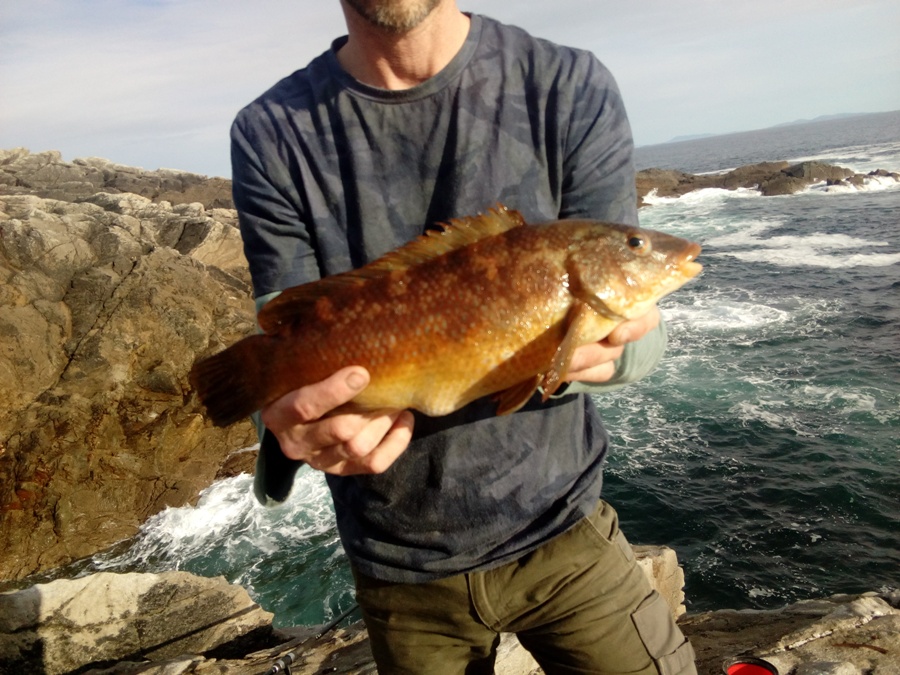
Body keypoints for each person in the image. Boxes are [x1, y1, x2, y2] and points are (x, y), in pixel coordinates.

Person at [231, 1, 697, 672]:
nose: (645, 248)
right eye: (634, 245)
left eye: (633, 245)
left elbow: (639, 338)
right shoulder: (269, 132)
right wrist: (288, 432)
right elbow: (285, 332)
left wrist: (622, 348)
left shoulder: (566, 84)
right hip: (398, 565)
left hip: (564, 529)